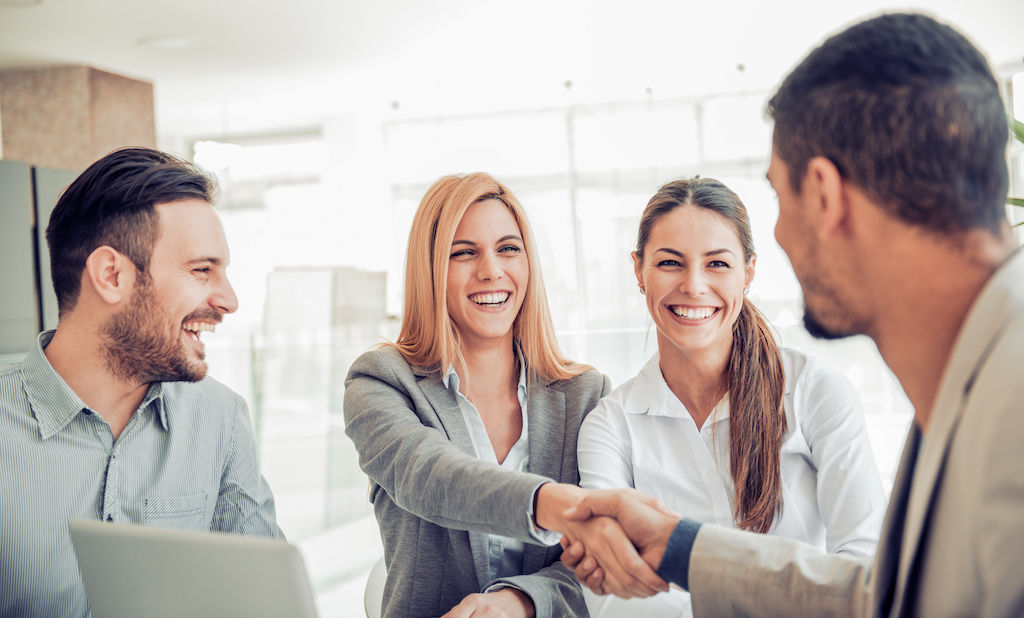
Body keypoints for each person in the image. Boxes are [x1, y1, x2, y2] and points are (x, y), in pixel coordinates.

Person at [561, 12, 1024, 617]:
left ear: (826, 196)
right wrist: (683, 549)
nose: (779, 232)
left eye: (780, 196)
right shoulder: (976, 376)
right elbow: (885, 601)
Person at [343, 172, 666, 618]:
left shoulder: (584, 395)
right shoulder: (380, 381)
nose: (491, 270)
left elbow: (593, 571)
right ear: (431, 269)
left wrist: (520, 602)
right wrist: (553, 504)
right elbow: (431, 477)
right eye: (463, 253)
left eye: (508, 249)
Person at [575, 177, 885, 617]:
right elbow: (611, 594)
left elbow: (866, 565)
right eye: (670, 263)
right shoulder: (611, 426)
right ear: (638, 272)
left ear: (749, 273)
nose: (695, 286)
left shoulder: (815, 392)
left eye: (717, 264)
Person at [0, 148, 281, 618]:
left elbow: (263, 601)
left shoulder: (220, 419)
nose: (228, 300)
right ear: (112, 275)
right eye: (201, 269)